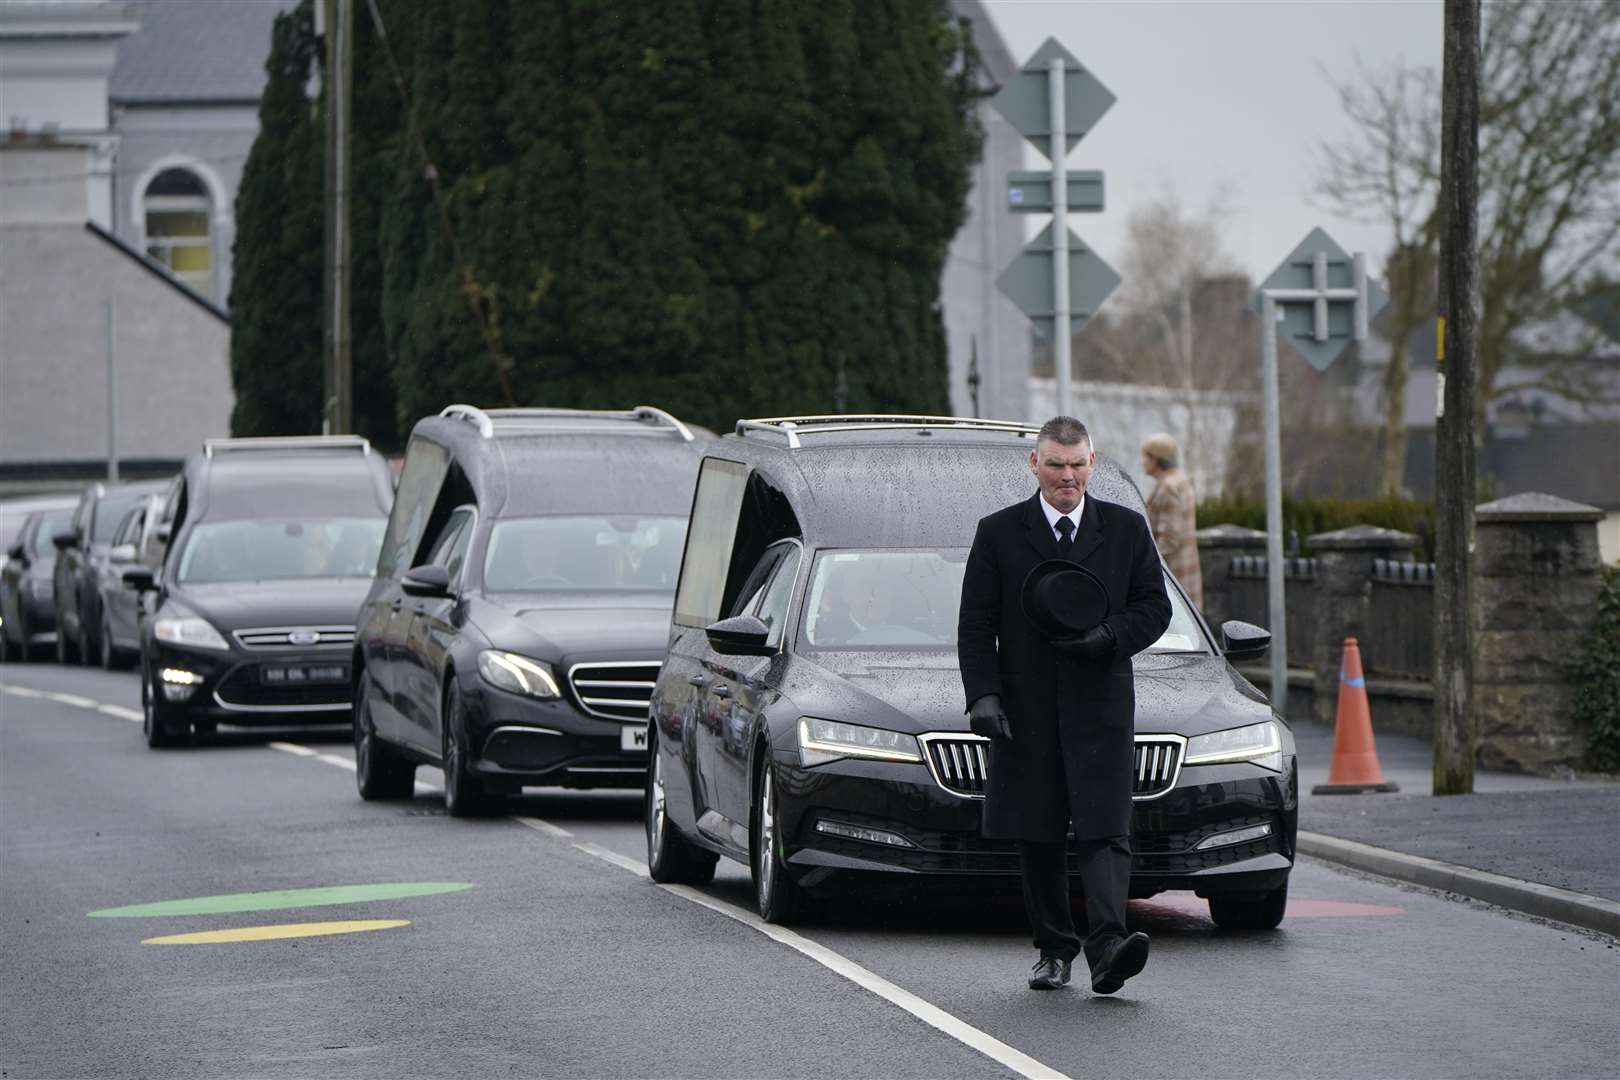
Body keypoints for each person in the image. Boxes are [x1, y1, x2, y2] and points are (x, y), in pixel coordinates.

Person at [957, 416, 1171, 994]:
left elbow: (1155, 608)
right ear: (1035, 465)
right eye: (1055, 465)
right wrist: (983, 695)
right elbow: (976, 624)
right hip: (1026, 707)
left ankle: (1108, 947)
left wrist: (1107, 638)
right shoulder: (999, 532)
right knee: (1039, 829)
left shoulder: (1125, 529)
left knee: (1106, 826)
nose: (1067, 477)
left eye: (1077, 465)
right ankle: (1054, 950)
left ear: (1092, 465)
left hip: (1100, 704)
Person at [1140, 432, 1203, 609]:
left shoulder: (1168, 487)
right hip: (1186, 572)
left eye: (1145, 456)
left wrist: (1143, 563)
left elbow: (1169, 540)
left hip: (1175, 578)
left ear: (1156, 459)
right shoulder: (1181, 480)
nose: (1142, 461)